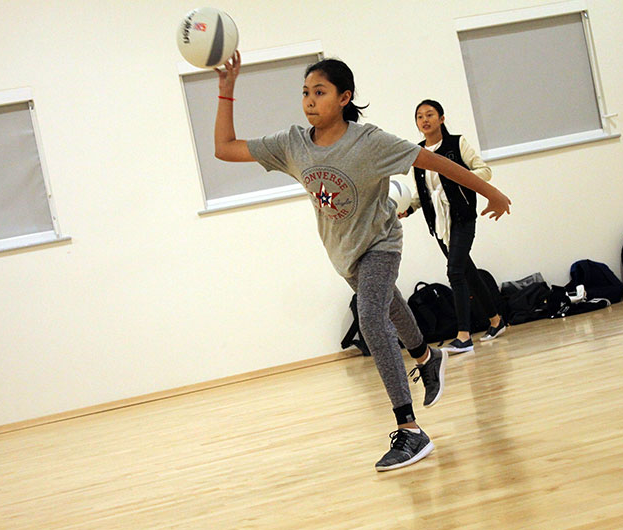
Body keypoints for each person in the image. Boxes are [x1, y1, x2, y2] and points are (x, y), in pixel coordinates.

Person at [214, 53, 511, 471]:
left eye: (320, 92)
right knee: (390, 304)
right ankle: (428, 358)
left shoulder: (369, 141)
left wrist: (491, 193)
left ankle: (410, 430)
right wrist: (226, 91)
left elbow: (437, 162)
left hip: (380, 244)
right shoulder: (293, 144)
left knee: (372, 317)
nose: (310, 101)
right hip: (344, 253)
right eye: (305, 93)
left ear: (344, 97)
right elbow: (225, 149)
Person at [400, 100, 508, 354]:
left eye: (430, 115)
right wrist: (410, 208)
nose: (425, 120)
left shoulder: (457, 143)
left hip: (462, 217)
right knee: (467, 271)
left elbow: (484, 171)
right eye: (419, 117)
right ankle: (496, 320)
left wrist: (460, 175)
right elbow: (423, 192)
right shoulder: (418, 153)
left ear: (441, 118)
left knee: (455, 273)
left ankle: (463, 335)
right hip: (438, 222)